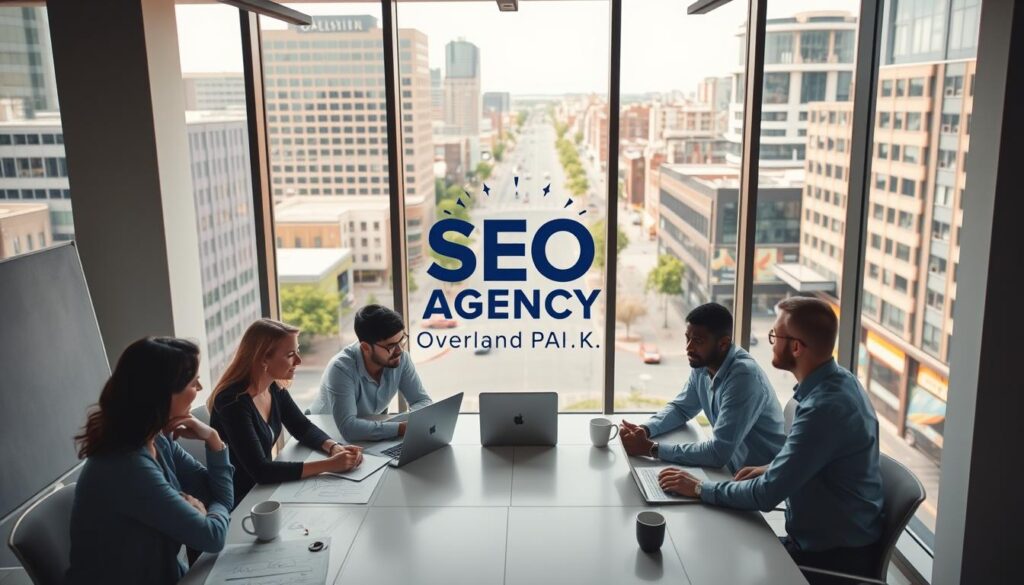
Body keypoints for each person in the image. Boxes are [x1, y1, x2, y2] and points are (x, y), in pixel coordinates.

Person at [657, 297, 884, 583]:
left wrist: (700, 488)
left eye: (775, 335)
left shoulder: (824, 409)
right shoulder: (837, 384)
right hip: (817, 538)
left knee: (709, 567)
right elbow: (816, 455)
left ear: (796, 347)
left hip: (832, 557)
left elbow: (765, 495)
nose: (771, 341)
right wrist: (771, 467)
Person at [66, 337, 233, 585]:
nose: (199, 387)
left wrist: (213, 439)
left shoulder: (157, 440)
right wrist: (207, 511)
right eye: (192, 381)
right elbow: (212, 537)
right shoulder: (126, 466)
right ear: (162, 394)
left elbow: (219, 496)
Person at [208, 319, 363, 504]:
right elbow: (261, 471)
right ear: (264, 358)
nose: (299, 360)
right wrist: (330, 465)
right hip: (239, 499)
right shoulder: (231, 401)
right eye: (290, 354)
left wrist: (334, 447)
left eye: (297, 351)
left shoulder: (273, 387)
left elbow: (301, 426)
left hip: (263, 491)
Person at [620, 303, 786, 474]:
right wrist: (645, 430)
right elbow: (681, 409)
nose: (688, 347)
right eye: (687, 338)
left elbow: (717, 453)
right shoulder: (703, 365)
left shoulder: (744, 378)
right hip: (726, 469)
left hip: (756, 480)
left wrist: (651, 449)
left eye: (698, 341)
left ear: (723, 344)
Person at [310, 304, 432, 441]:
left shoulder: (401, 359)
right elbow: (349, 428)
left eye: (401, 340)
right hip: (321, 436)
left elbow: (422, 400)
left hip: (364, 436)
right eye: (391, 346)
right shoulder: (341, 368)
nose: (399, 351)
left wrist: (409, 424)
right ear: (366, 347)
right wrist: (401, 428)